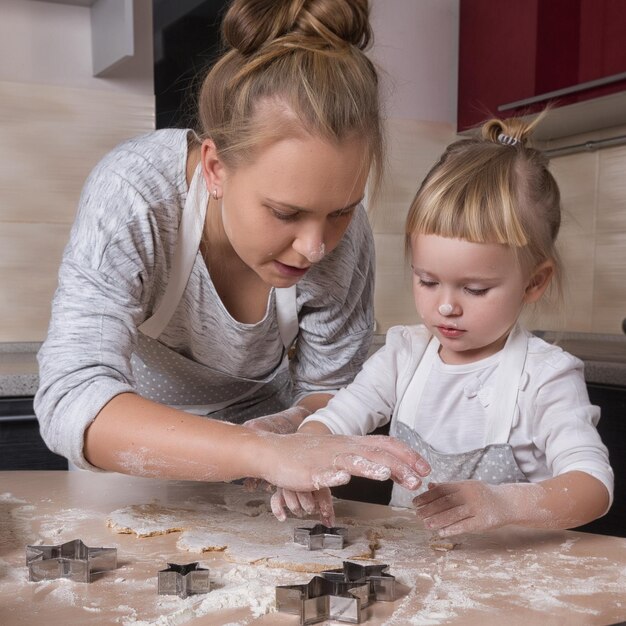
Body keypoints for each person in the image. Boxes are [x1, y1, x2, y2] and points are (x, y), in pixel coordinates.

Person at [34, 0, 431, 519]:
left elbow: (332, 391)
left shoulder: (345, 241)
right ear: (215, 168)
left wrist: (287, 432)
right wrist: (257, 451)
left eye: (340, 212)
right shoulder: (136, 195)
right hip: (130, 462)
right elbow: (72, 399)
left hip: (266, 483)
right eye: (285, 212)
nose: (316, 247)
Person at [296, 114, 614, 537]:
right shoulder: (405, 355)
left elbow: (593, 486)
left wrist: (503, 503)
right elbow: (336, 419)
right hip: (416, 571)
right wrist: (304, 457)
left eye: (476, 289)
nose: (445, 306)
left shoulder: (543, 377)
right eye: (427, 281)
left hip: (509, 580)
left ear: (534, 282)